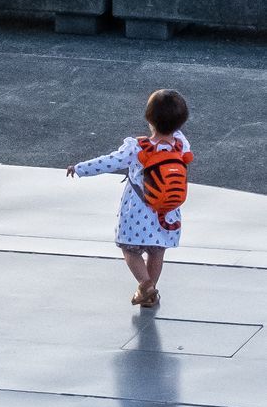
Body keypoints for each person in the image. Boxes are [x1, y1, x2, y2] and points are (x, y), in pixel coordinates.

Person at [67, 89, 192, 308]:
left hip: (137, 212)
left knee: (130, 250)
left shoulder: (136, 148)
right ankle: (150, 290)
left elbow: (109, 162)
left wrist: (79, 168)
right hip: (167, 211)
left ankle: (145, 284)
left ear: (149, 119)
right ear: (181, 122)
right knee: (157, 250)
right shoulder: (181, 145)